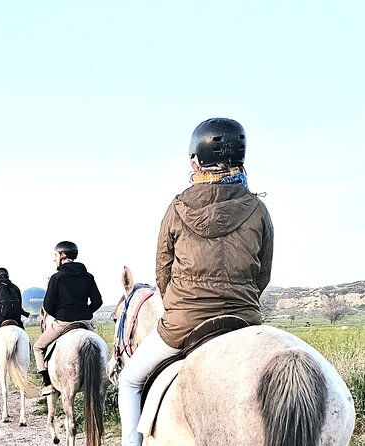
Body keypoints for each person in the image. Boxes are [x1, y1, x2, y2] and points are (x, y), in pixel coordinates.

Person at [117, 117, 274, 445]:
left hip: (183, 323)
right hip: (244, 320)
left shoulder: (177, 208)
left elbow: (163, 273)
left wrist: (180, 304)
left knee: (130, 381)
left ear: (196, 161)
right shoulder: (258, 209)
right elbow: (263, 275)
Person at [33, 241, 103, 396]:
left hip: (64, 322)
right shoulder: (88, 276)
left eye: (55, 255)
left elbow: (48, 305)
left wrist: (61, 315)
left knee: (37, 347)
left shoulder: (56, 277)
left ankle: (47, 383)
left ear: (62, 255)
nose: (54, 259)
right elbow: (98, 301)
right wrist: (86, 311)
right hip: (85, 322)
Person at [0, 267, 30, 367]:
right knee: (26, 340)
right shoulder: (16, 288)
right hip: (16, 320)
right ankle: (28, 355)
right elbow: (19, 305)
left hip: (0, 320)